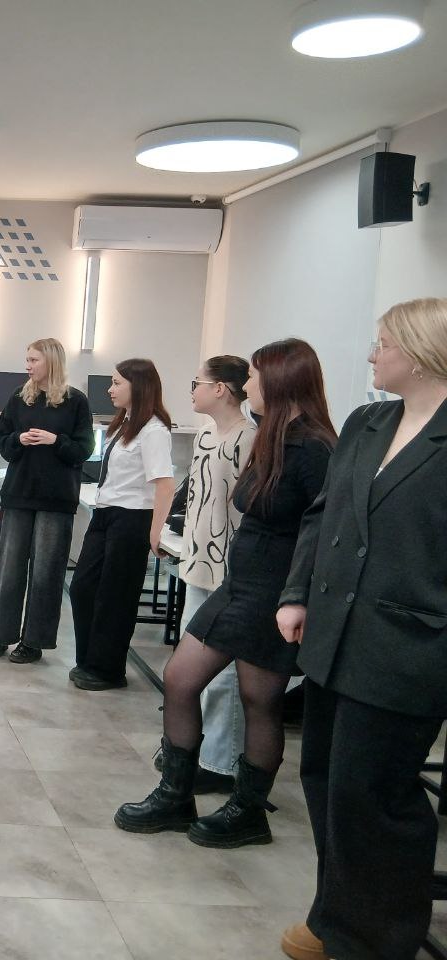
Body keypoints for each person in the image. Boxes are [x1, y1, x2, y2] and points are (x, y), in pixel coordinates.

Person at [276, 300, 447, 960]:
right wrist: (296, 594)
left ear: (421, 352)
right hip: (334, 635)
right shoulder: (367, 422)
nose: (373, 355)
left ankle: (379, 940)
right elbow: (322, 516)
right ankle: (335, 916)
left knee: (376, 797)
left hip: (410, 645)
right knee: (325, 780)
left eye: (383, 344)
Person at [116, 338, 334, 849]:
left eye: (254, 376)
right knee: (180, 678)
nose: (247, 384)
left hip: (274, 593)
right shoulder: (272, 434)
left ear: (279, 380)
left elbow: (321, 532)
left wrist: (297, 599)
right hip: (241, 584)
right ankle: (175, 795)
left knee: (260, 700)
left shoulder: (314, 448)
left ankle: (249, 810)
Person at [0, 338, 93, 663]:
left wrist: (56, 440)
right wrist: (19, 438)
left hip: (56, 499)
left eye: (33, 360)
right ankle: (0, 635)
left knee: (46, 572)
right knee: (9, 569)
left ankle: (34, 642)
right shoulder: (19, 397)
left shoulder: (76, 401)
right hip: (18, 494)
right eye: (27, 359)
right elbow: (2, 440)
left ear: (51, 362)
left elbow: (84, 449)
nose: (27, 366)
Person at [68, 358, 174, 690]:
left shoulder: (154, 431)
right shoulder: (124, 424)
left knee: (116, 596)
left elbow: (164, 484)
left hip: (131, 518)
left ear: (138, 386)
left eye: (116, 383)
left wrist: (155, 531)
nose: (110, 390)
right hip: (105, 514)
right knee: (83, 587)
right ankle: (88, 659)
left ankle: (108, 669)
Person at [176, 356, 256, 793]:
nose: (193, 390)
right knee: (192, 665)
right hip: (197, 561)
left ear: (221, 388)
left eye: (198, 382)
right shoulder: (205, 434)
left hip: (230, 567)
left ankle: (221, 762)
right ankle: (194, 747)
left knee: (224, 670)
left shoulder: (250, 438)